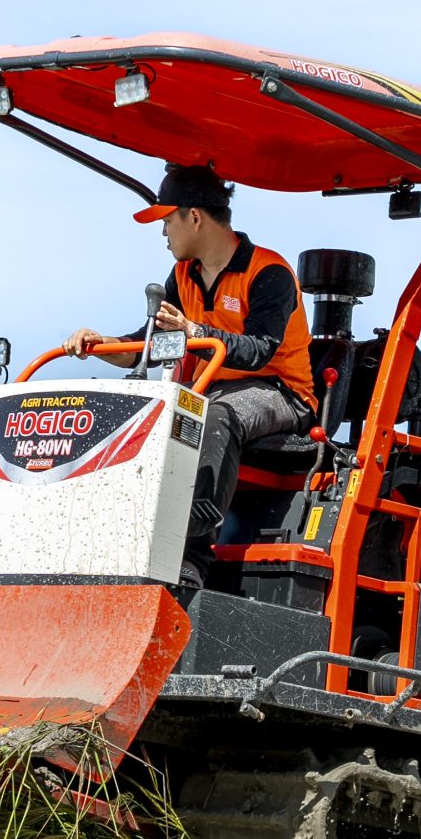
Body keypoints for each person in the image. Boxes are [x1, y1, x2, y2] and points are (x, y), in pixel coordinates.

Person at [65, 164, 316, 587]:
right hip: (212, 389)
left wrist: (195, 332)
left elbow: (258, 352)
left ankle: (189, 562)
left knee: (214, 416)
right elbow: (150, 342)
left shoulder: (269, 272)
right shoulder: (184, 275)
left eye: (167, 221)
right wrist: (101, 344)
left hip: (280, 392)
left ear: (194, 217)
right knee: (141, 410)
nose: (164, 233)